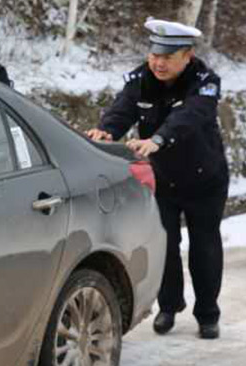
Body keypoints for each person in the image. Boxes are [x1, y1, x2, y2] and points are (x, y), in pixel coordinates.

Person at [86, 18, 229, 340]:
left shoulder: (205, 81)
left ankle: (208, 313)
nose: (158, 63)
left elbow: (191, 115)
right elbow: (123, 108)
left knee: (204, 247)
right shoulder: (141, 79)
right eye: (154, 55)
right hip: (162, 179)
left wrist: (160, 139)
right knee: (164, 245)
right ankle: (169, 306)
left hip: (204, 180)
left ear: (187, 56)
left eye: (167, 57)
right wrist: (107, 129)